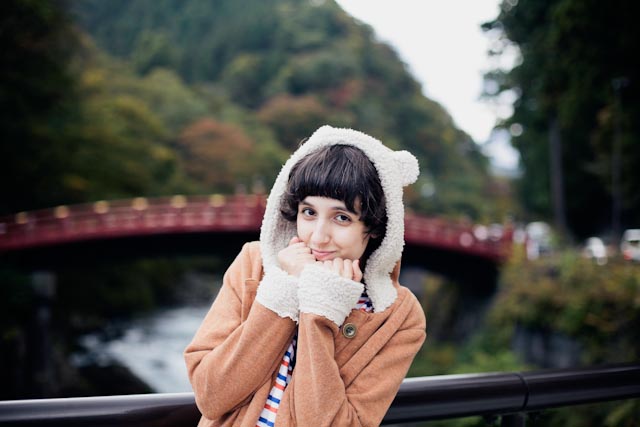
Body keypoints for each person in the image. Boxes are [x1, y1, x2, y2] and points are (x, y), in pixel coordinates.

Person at [184, 125, 426, 427]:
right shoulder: (256, 263)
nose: (319, 237)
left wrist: (320, 312)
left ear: (374, 228)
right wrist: (282, 291)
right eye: (309, 212)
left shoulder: (398, 316)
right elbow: (211, 395)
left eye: (342, 218)